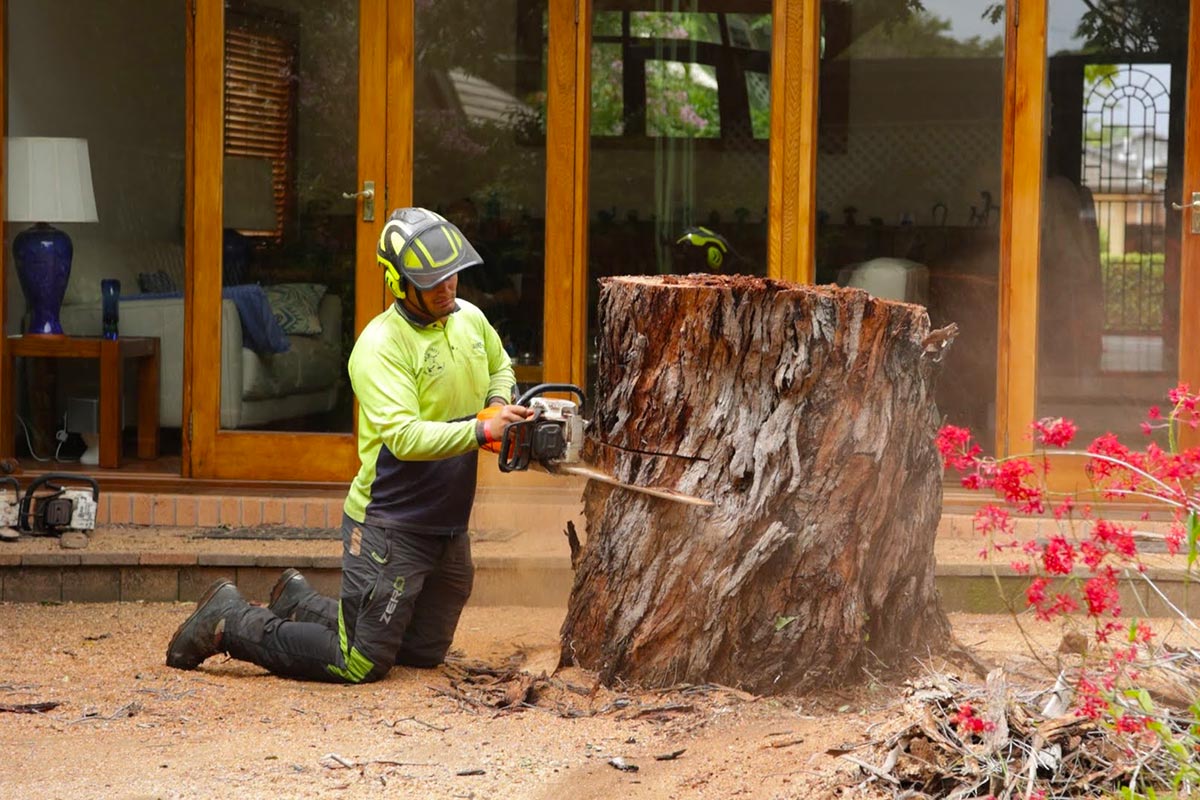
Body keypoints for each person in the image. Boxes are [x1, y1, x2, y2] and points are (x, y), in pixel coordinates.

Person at [165, 207, 531, 683]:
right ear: (400, 283)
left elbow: (501, 366)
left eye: (453, 275)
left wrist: (496, 404)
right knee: (359, 661)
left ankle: (299, 602)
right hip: (391, 523)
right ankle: (228, 620)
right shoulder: (381, 347)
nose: (447, 288)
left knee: (420, 652)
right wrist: (482, 431)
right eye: (433, 281)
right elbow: (404, 438)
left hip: (447, 522)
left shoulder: (471, 320)